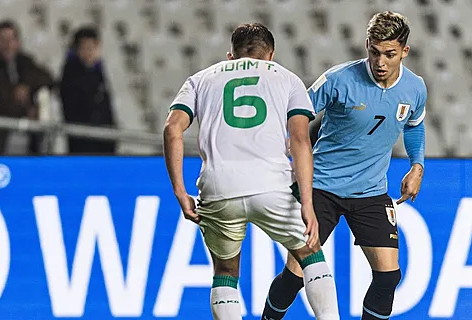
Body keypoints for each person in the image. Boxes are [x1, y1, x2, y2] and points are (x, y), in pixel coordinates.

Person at [162, 23, 339, 320]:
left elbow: (171, 129)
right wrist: (307, 203)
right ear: (270, 54)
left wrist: (180, 191)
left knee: (226, 272)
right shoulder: (287, 78)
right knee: (311, 256)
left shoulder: (200, 79)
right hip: (270, 185)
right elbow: (299, 140)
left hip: (219, 188)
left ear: (231, 54)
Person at [262, 11, 427, 320]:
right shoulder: (339, 79)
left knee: (388, 277)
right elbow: (299, 112)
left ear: (404, 51)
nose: (380, 62)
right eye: (374, 52)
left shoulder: (415, 88)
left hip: (370, 191)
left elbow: (414, 126)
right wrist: (287, 143)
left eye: (390, 54)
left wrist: (417, 165)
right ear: (367, 45)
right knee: (295, 276)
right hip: (321, 187)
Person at [0, 20, 53, 154]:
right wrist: (15, 95)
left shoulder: (24, 61)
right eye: (3, 40)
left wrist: (26, 87)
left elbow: (48, 78)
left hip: (26, 133)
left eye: (11, 39)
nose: (8, 45)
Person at [60, 26, 116, 154]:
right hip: (82, 142)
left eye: (93, 47)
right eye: (86, 48)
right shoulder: (70, 75)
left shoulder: (99, 72)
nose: (90, 52)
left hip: (103, 140)